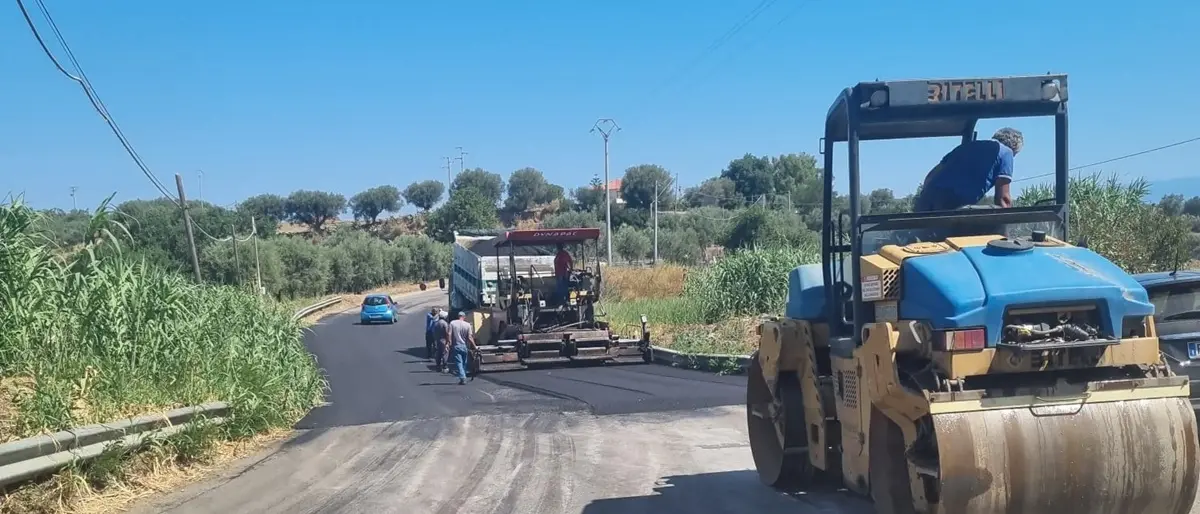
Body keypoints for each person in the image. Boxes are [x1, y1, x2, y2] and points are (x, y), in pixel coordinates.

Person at [913, 128, 1024, 212]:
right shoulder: (1006, 152)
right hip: (952, 206)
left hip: (926, 200)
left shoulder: (966, 146)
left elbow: (930, 177)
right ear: (1015, 147)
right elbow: (1003, 200)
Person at [448, 311, 477, 385]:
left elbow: (449, 333)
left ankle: (463, 377)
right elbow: (470, 337)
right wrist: (474, 346)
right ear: (464, 317)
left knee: (459, 362)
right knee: (464, 362)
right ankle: (463, 376)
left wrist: (449, 342)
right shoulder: (467, 325)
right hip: (464, 346)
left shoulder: (452, 323)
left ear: (458, 316)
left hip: (456, 345)